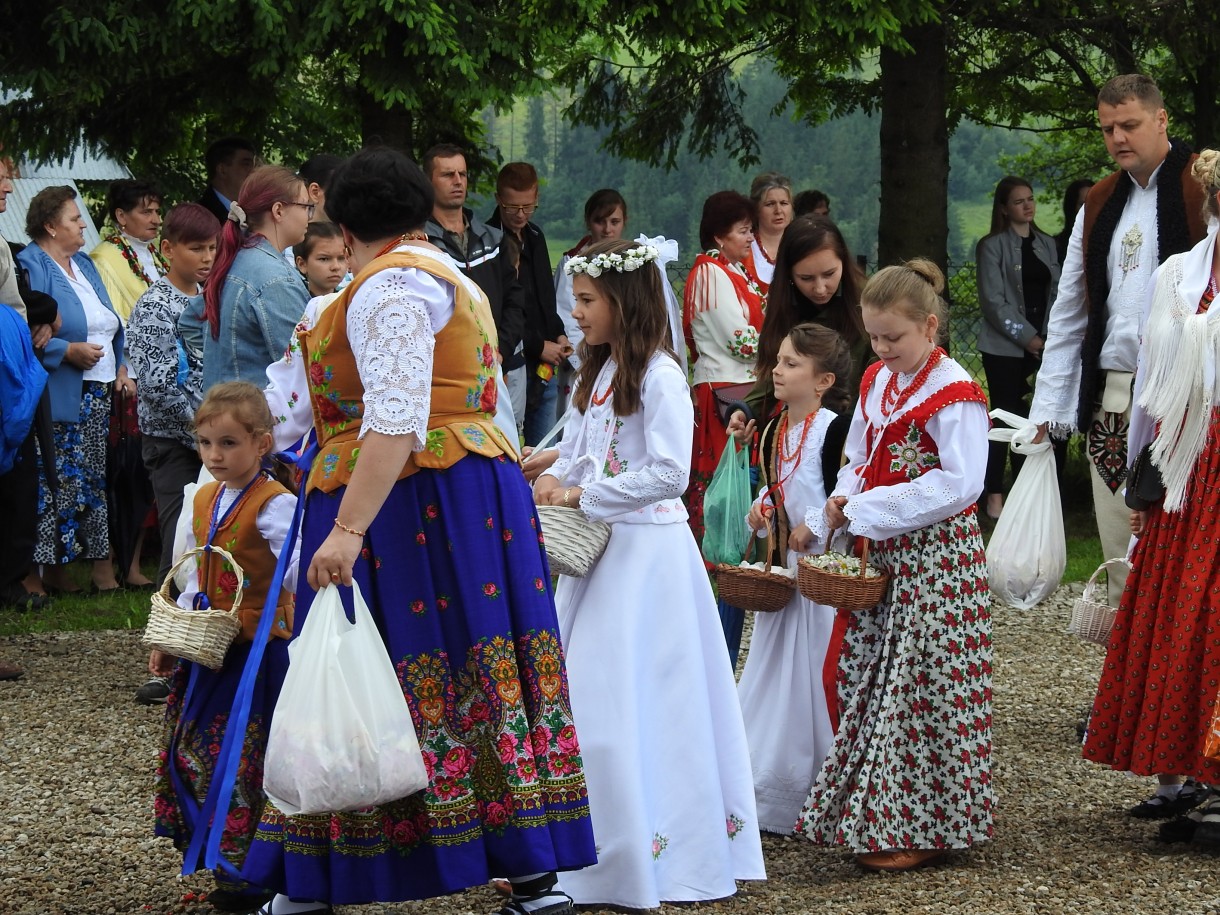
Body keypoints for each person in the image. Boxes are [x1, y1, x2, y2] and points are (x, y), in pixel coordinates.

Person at [244, 147, 596, 913]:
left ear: (344, 214)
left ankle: (327, 878)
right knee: (472, 662)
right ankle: (528, 871)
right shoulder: (447, 277)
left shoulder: (388, 291)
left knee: (376, 670)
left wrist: (346, 530)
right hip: (467, 496)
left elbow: (398, 417)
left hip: (410, 503)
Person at [535, 238, 765, 907]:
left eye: (586, 300)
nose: (575, 312)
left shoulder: (661, 375)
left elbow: (668, 469)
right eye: (575, 300)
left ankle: (651, 851)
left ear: (624, 301)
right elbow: (586, 451)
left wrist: (585, 495)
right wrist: (549, 470)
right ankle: (583, 846)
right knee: (587, 697)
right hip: (599, 556)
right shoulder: (600, 371)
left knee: (637, 701)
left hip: (647, 558)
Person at [797, 259, 993, 872]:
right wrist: (842, 498)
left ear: (929, 328)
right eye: (874, 337)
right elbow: (859, 453)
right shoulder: (881, 381)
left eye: (893, 337)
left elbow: (960, 483)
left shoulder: (954, 390)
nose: (882, 349)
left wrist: (869, 505)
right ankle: (880, 815)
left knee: (923, 687)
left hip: (938, 559)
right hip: (885, 549)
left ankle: (929, 824)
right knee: (873, 678)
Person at [1082, 149, 1220, 844]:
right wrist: (1144, 476)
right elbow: (1148, 390)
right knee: (1180, 615)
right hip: (1187, 466)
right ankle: (1184, 771)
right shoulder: (1178, 274)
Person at [1030, 74, 1207, 611]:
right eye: (1108, 129)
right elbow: (1070, 310)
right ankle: (1125, 689)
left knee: (1187, 547)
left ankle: (1181, 689)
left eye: (1129, 124)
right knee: (1118, 550)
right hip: (1114, 396)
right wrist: (1049, 408)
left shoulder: (1203, 186)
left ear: (1161, 120)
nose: (1118, 138)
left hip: (1189, 395)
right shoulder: (1100, 200)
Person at [153, 382, 299, 914]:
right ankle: (221, 854)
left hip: (258, 657)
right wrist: (175, 634)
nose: (215, 455)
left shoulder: (275, 505)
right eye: (206, 443)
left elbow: (299, 575)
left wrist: (279, 615)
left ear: (262, 444)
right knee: (198, 752)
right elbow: (195, 572)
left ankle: (253, 873)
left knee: (246, 758)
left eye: (229, 443)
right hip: (209, 648)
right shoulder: (203, 497)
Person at [728, 323, 853, 835]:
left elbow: (844, 491)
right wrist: (763, 512)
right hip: (786, 576)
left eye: (791, 364)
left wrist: (816, 523)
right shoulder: (776, 428)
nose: (777, 371)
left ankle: (822, 776)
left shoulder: (834, 429)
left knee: (817, 668)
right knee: (774, 667)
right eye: (778, 361)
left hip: (821, 578)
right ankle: (762, 775)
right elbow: (777, 487)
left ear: (822, 380)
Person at [127, 203, 219, 705]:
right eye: (195, 248)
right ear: (168, 249)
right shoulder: (154, 305)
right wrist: (208, 433)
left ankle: (207, 644)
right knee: (175, 541)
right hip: (174, 444)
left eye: (211, 248)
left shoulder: (213, 297)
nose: (206, 258)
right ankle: (166, 656)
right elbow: (160, 384)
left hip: (218, 442)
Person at [17, 186, 130, 594]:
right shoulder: (31, 263)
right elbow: (31, 331)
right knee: (54, 480)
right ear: (50, 225)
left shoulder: (83, 263)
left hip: (98, 391)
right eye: (73, 218)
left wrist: (118, 365)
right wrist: (68, 351)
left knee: (91, 480)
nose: (84, 224)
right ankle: (39, 574)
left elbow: (109, 321)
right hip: (60, 391)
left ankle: (98, 569)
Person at [683, 190, 764, 664]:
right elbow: (740, 341)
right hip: (723, 391)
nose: (749, 237)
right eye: (741, 230)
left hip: (737, 387)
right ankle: (718, 558)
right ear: (718, 235)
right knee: (720, 479)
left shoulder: (733, 273)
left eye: (750, 229)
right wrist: (776, 334)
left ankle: (733, 555)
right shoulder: (710, 274)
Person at [423, 144, 526, 431]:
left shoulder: (493, 239)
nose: (458, 181)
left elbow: (515, 299)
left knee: (506, 443)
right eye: (447, 175)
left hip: (497, 361)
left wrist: (501, 350)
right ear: (428, 182)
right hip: (448, 371)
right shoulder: (421, 243)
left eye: (463, 174)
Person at [975, 176, 1061, 519]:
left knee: (1038, 423)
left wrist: (1051, 337)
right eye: (1018, 201)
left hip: (1046, 345)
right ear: (1004, 209)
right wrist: (1030, 339)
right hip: (1004, 348)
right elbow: (994, 303)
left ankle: (1031, 499)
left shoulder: (1048, 243)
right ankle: (993, 494)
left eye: (1030, 199)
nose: (1028, 205)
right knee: (1003, 419)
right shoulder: (992, 246)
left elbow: (1057, 294)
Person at [193, 166, 311, 392]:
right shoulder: (274, 278)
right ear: (278, 211)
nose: (308, 215)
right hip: (257, 419)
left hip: (224, 413)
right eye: (306, 206)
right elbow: (302, 364)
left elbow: (190, 321)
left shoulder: (236, 258)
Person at [743, 217, 871, 423]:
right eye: (806, 278)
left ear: (844, 263)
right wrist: (745, 412)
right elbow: (772, 373)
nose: (820, 289)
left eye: (829, 274)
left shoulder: (868, 306)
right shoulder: (783, 306)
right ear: (789, 275)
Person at [0, 159, 57, 613]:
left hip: (13, 379)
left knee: (16, 489)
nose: (9, 185)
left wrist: (39, 319)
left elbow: (16, 305)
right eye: (0, 175)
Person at [488, 162, 571, 446]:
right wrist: (538, 345)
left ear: (536, 199)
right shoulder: (490, 242)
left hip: (546, 366)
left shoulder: (536, 236)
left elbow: (546, 298)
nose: (521, 215)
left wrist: (558, 334)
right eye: (512, 208)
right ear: (499, 199)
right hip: (514, 360)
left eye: (528, 206)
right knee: (511, 447)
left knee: (543, 451)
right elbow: (503, 310)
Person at [553, 189, 628, 415]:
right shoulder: (572, 263)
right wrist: (590, 359)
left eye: (614, 221)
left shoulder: (632, 264)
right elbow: (567, 315)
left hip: (625, 359)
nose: (607, 229)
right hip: (584, 360)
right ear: (588, 222)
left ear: (625, 221)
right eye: (600, 221)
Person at [89, 179, 167, 322]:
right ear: (121, 216)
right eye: (147, 212)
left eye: (157, 212)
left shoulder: (153, 252)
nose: (157, 220)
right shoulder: (103, 259)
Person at [743, 171, 794, 294]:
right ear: (756, 209)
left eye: (784, 203)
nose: (778, 210)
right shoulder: (744, 248)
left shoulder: (800, 245)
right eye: (770, 204)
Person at [198, 137, 259, 225]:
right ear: (222, 170)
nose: (254, 171)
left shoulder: (256, 215)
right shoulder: (199, 217)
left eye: (254, 165)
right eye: (246, 164)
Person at [293, 222, 346, 298]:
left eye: (342, 258)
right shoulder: (292, 304)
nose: (336, 266)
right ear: (302, 264)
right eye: (324, 259)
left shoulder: (353, 303)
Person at [1056, 178, 1095, 263]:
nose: (1089, 208)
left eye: (1093, 202)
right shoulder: (1057, 245)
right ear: (1072, 207)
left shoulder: (1114, 239)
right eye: (1082, 204)